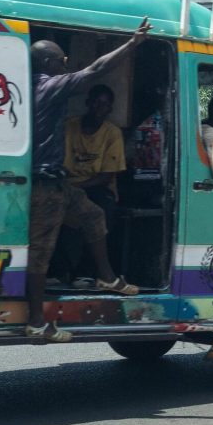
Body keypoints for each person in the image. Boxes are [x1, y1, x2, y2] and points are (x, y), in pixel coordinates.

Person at [26, 23, 148, 330]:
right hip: (44, 184)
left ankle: (107, 277)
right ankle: (37, 322)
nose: (65, 67)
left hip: (58, 183)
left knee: (93, 216)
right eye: (61, 63)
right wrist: (132, 44)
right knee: (40, 253)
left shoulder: (26, 88)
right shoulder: (48, 86)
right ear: (47, 64)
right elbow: (96, 69)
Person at [59, 82, 128, 285]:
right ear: (88, 103)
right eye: (96, 103)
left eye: (105, 105)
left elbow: (106, 176)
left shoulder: (112, 133)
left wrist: (76, 188)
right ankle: (59, 271)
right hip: (66, 185)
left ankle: (87, 271)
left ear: (110, 109)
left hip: (96, 187)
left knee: (102, 213)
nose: (99, 108)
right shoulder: (69, 126)